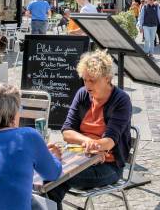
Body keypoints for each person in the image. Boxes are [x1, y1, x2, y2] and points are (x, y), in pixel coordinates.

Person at [48, 50, 132, 206]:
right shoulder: (82, 94)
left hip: (109, 166)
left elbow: (109, 142)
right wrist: (89, 142)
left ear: (107, 79)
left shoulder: (121, 100)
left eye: (92, 80)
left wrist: (97, 145)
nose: (87, 85)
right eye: (85, 80)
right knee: (45, 171)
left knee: (54, 177)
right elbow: (66, 131)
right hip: (78, 158)